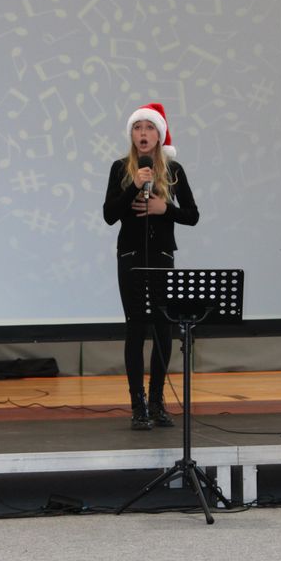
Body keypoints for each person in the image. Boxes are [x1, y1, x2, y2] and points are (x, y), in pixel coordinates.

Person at [103, 102, 199, 430]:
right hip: (130, 257)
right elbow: (109, 214)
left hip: (161, 257)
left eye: (149, 128)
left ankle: (157, 400)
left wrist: (164, 209)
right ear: (131, 135)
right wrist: (134, 184)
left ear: (159, 135)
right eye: (137, 128)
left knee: (162, 328)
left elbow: (192, 215)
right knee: (136, 328)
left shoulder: (174, 171)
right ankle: (138, 404)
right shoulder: (120, 169)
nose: (143, 134)